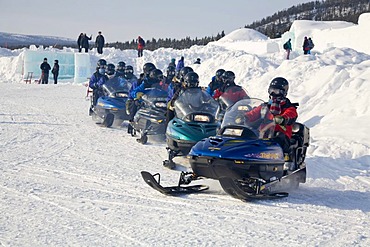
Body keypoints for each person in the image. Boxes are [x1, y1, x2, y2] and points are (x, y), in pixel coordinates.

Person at [244, 77, 298, 155]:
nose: (273, 94)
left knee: (278, 138)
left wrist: (283, 118)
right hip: (262, 136)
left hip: (280, 137)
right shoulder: (264, 107)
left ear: (284, 93)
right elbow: (252, 114)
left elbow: (291, 115)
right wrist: (242, 116)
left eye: (276, 91)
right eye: (271, 90)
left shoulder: (289, 107)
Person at [126, 69, 164, 133]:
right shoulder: (146, 83)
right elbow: (135, 91)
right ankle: (132, 122)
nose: (160, 79)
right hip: (145, 101)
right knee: (134, 104)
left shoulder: (161, 84)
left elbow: (166, 91)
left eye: (161, 77)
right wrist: (137, 95)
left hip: (156, 101)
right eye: (159, 77)